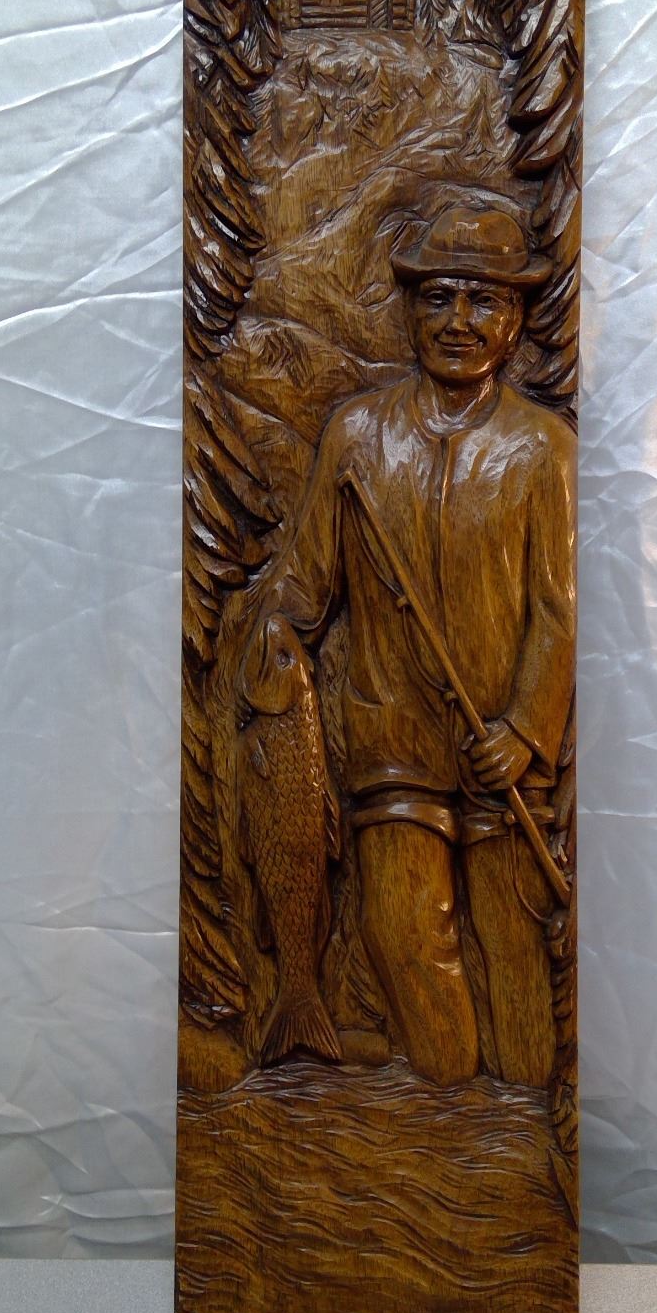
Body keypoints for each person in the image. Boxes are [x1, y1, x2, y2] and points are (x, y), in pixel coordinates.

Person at [245, 199, 576, 1087]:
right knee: (409, 952)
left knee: (515, 964)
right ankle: (449, 1116)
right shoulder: (357, 436)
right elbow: (304, 586)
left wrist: (527, 730)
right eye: (438, 298)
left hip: (504, 765)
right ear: (410, 309)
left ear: (514, 319)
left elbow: (560, 610)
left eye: (483, 299)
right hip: (391, 749)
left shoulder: (543, 448)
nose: (459, 320)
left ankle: (519, 1133)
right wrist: (273, 627)